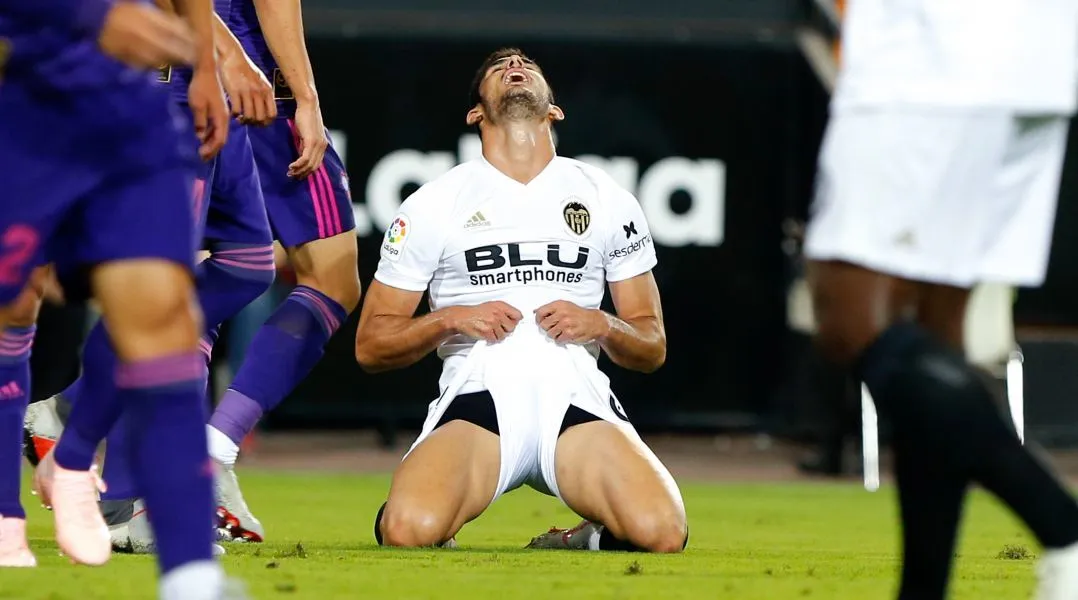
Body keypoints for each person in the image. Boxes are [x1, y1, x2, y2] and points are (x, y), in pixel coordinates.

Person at [355, 48, 686, 553]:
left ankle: (583, 539)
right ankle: (426, 503)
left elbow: (652, 344)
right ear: (476, 114)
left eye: (527, 65)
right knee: (408, 530)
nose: (514, 65)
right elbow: (370, 345)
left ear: (554, 110)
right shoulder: (433, 203)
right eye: (498, 67)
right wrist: (450, 319)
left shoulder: (606, 196)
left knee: (662, 531)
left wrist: (602, 324)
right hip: (479, 395)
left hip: (573, 396)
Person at [803, 0, 1078, 598]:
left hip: (931, 59)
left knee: (849, 322)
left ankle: (1062, 525)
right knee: (934, 340)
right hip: (1035, 61)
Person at [23, 0, 279, 554]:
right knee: (154, 296)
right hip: (163, 83)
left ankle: (68, 418)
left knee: (250, 265)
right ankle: (123, 504)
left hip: (197, 78)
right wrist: (220, 59)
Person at [200, 0, 360, 541]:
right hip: (255, 91)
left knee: (212, 272)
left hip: (177, 75)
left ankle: (184, 459)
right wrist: (307, 98)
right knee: (327, 278)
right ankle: (206, 453)